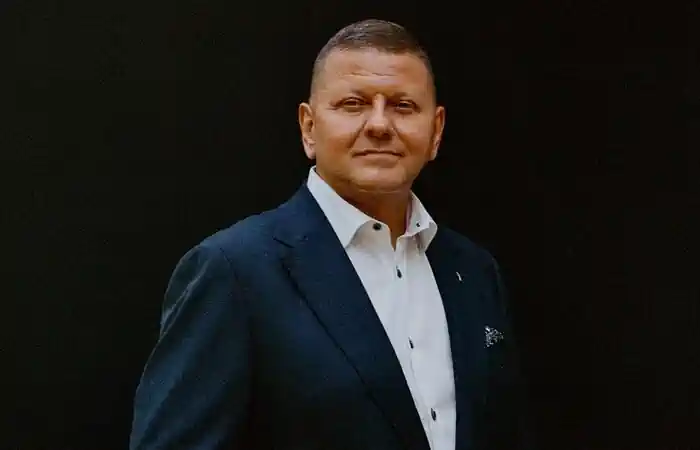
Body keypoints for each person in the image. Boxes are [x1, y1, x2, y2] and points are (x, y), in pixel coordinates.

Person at [130, 19, 527, 450]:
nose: (379, 124)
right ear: (309, 127)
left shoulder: (472, 270)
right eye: (353, 104)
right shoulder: (234, 271)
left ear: (436, 131)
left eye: (403, 106)